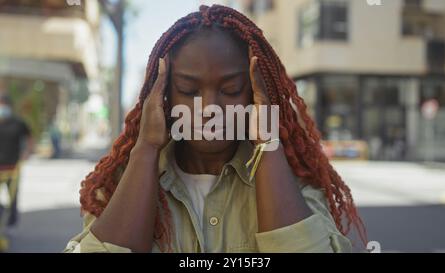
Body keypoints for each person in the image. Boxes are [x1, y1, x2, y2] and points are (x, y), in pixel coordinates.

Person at [64, 5, 366, 253]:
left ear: (254, 93)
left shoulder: (295, 186)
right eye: (188, 89)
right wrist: (146, 148)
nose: (210, 108)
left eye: (232, 89)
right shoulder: (122, 184)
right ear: (165, 95)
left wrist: (268, 142)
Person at [0, 94, 34, 226]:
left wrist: (27, 152)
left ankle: (10, 222)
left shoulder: (18, 123)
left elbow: (30, 138)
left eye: (4, 105)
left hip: (13, 167)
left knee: (12, 198)